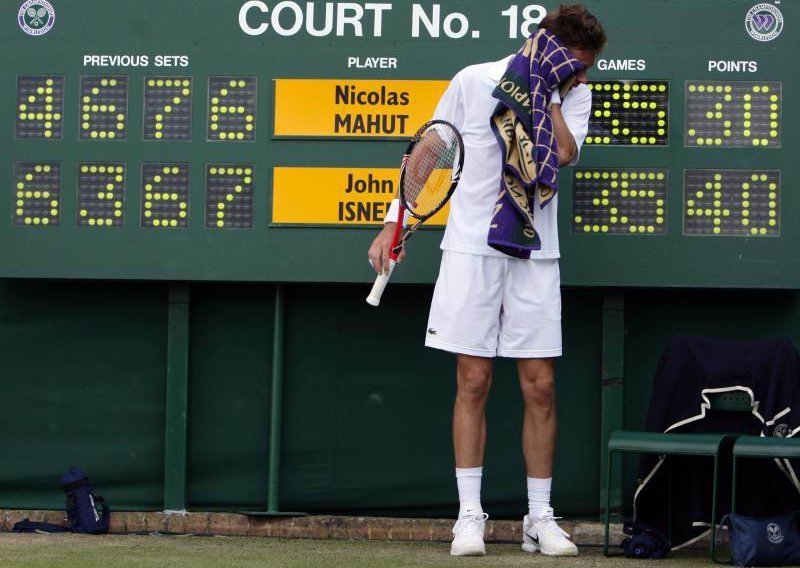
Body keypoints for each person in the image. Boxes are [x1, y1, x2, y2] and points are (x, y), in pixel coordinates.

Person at [368, 4, 606, 558]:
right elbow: (429, 154)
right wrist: (393, 223)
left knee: (539, 386)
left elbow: (565, 153)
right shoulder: (474, 81)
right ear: (547, 46)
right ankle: (468, 517)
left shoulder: (571, 95)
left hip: (535, 252)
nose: (585, 76)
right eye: (577, 64)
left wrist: (547, 94)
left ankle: (538, 519)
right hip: (472, 249)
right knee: (473, 380)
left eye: (587, 67)